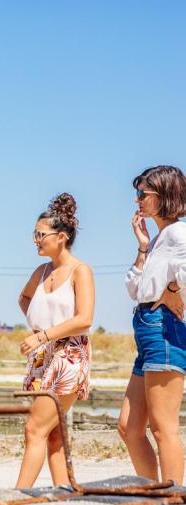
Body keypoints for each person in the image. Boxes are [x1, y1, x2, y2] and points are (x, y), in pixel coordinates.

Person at [17, 193, 94, 488]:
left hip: (69, 356)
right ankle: (66, 493)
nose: (35, 240)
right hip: (41, 357)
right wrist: (38, 328)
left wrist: (43, 334)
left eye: (40, 234)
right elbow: (24, 298)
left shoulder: (80, 271)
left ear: (61, 237)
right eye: (34, 234)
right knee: (53, 434)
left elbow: (84, 318)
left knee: (34, 428)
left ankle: (18, 497)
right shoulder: (41, 271)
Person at [118, 165, 186, 485]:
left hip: (164, 329)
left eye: (143, 194)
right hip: (148, 329)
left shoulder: (179, 233)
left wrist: (172, 290)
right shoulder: (160, 239)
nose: (137, 201)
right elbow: (134, 288)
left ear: (165, 196)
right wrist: (143, 246)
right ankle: (154, 495)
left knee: (163, 427)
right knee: (129, 427)